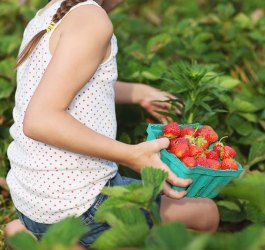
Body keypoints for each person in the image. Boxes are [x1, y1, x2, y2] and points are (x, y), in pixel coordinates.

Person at [4, 0, 219, 248]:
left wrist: (138, 92)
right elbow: (40, 119)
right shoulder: (92, 20)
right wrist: (132, 155)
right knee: (205, 213)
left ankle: (31, 236)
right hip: (81, 204)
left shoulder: (49, 12)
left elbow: (72, 81)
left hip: (32, 201)